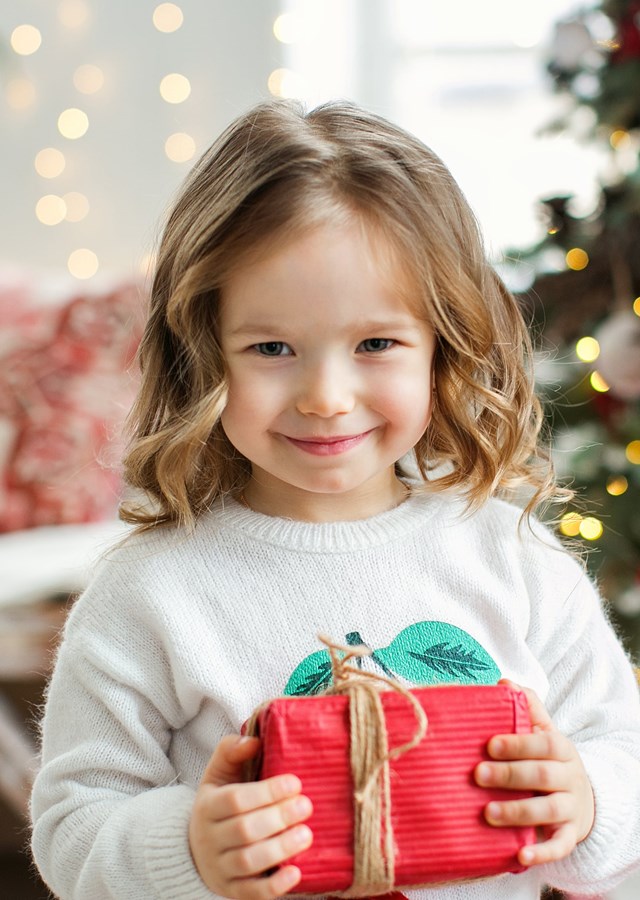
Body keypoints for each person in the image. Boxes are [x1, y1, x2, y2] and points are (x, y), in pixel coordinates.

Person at [31, 99, 640, 900]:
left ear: (442, 348)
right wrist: (188, 847)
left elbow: (622, 752)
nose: (325, 396)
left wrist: (588, 802)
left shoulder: (511, 558)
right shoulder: (150, 594)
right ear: (204, 354)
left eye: (376, 343)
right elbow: (73, 830)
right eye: (272, 347)